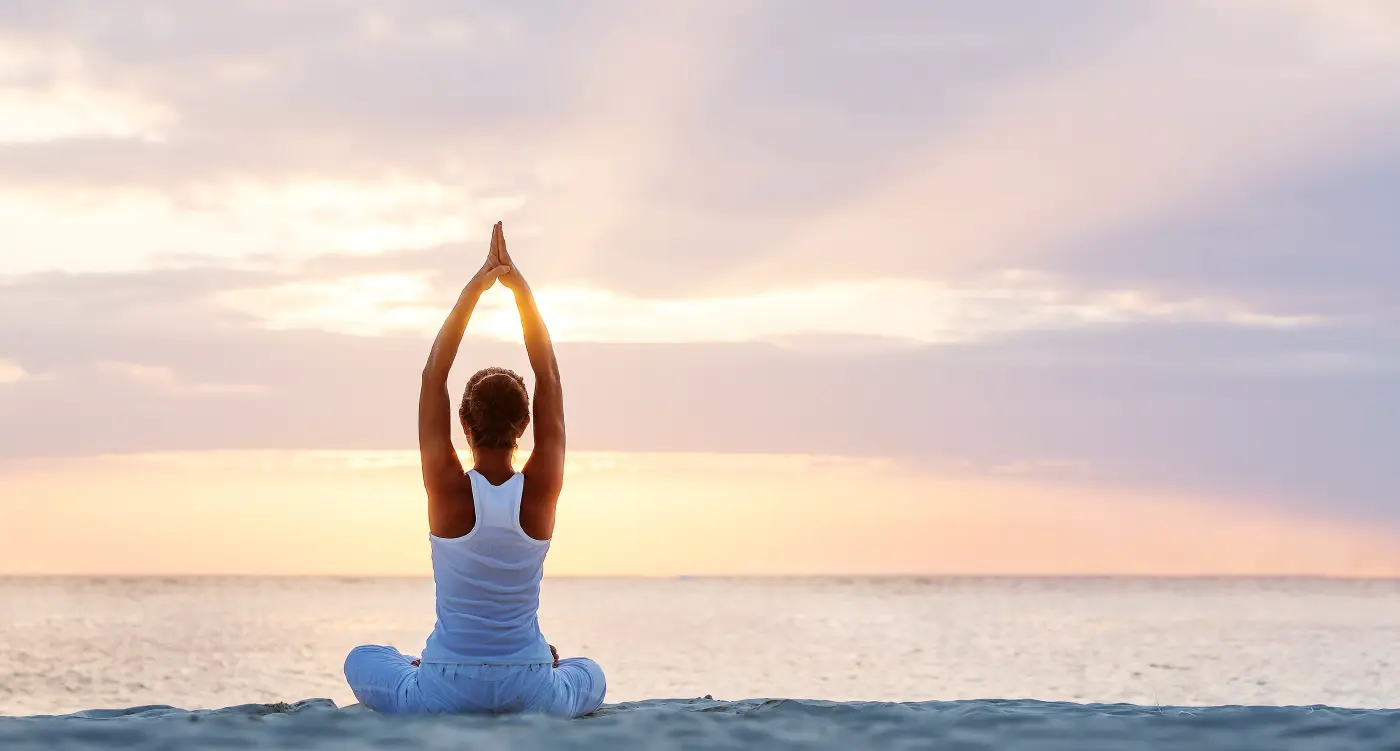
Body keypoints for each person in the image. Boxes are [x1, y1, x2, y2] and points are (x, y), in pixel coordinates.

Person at [343, 222, 605, 718]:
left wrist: (476, 288)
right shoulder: (541, 490)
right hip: (529, 685)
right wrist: (519, 290)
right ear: (525, 425)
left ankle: (421, 664)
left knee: (362, 659)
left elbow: (432, 375)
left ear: (462, 423)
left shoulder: (445, 489)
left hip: (445, 686)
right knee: (591, 671)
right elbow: (548, 373)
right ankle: (539, 661)